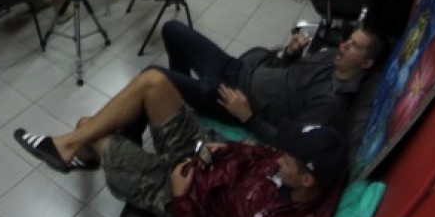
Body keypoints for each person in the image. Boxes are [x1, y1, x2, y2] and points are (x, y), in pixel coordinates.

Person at [13, 67, 347, 217]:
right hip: (205, 155)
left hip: (179, 190)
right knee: (154, 81)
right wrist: (230, 148)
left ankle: (74, 149)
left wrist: (181, 197)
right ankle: (73, 149)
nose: (280, 156)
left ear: (307, 178)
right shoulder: (307, 172)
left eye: (288, 158)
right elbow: (264, 154)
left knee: (88, 124)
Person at [158, 19, 385, 146]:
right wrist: (291, 53)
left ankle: (177, 99)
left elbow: (290, 141)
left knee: (156, 77)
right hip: (238, 69)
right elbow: (288, 70)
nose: (343, 45)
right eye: (348, 40)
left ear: (366, 63)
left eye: (354, 46)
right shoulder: (331, 57)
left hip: (231, 100)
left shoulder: (331, 103)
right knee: (172, 29)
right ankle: (179, 105)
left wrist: (248, 117)